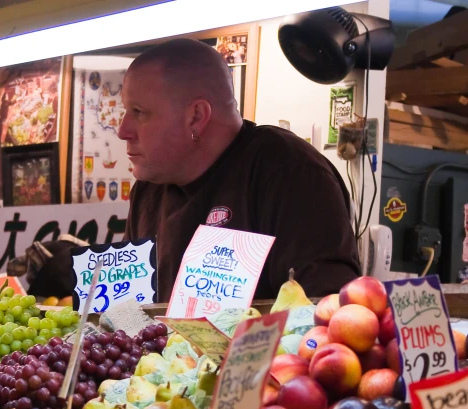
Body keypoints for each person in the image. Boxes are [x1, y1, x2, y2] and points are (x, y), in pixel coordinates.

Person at [119, 38, 360, 302]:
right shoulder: (150, 187)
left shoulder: (290, 173)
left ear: (196, 116)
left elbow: (324, 312)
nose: (123, 131)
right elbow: (127, 312)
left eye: (139, 112)